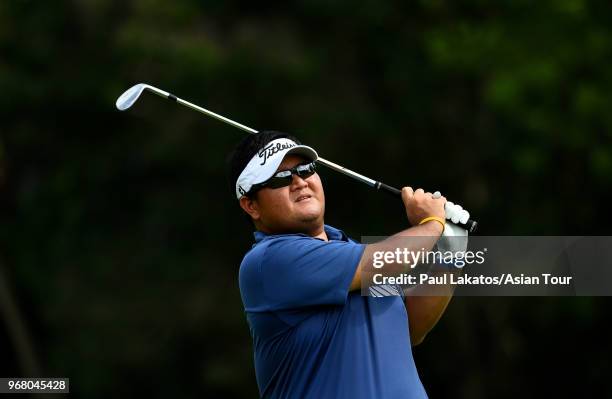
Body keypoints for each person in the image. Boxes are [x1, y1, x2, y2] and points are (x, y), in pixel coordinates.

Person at [227, 130, 470, 398]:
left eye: (306, 169)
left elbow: (409, 328)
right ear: (251, 205)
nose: (299, 182)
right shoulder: (269, 261)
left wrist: (449, 260)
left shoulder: (350, 249)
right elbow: (383, 260)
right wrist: (432, 224)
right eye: (281, 178)